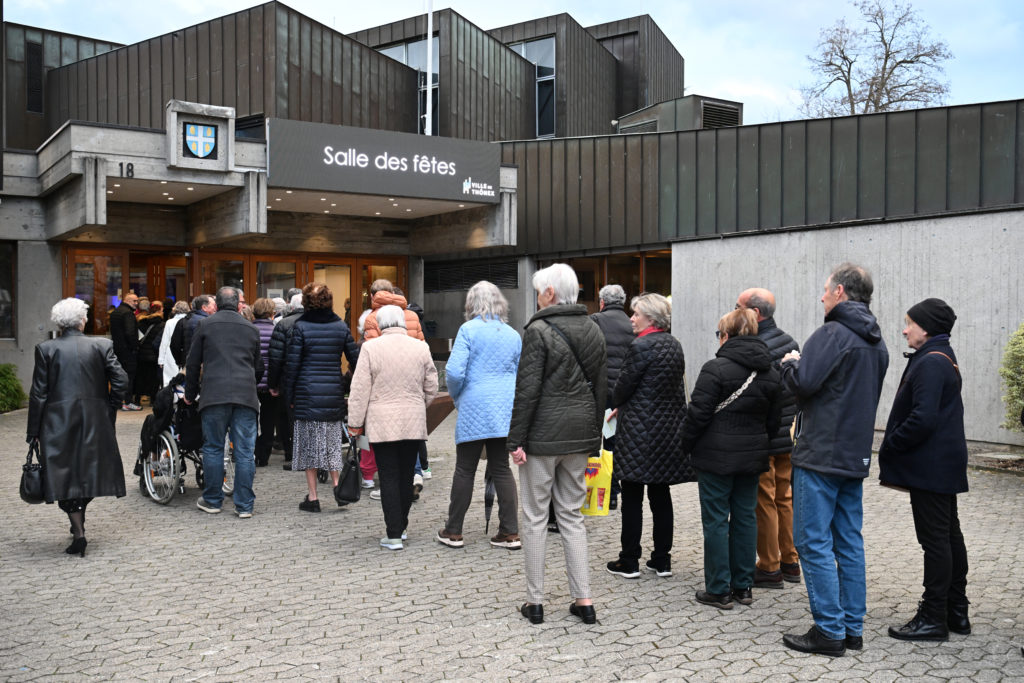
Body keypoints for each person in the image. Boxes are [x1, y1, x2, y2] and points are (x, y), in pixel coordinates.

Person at [779, 263, 889, 657]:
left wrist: (790, 363)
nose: (821, 296)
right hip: (853, 455)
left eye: (825, 290)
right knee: (849, 542)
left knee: (812, 542)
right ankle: (851, 628)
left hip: (820, 454)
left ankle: (829, 631)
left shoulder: (832, 334)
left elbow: (803, 383)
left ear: (840, 291)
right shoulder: (876, 342)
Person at [507, 263, 607, 626]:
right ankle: (584, 600)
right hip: (579, 435)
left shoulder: (538, 330)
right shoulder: (594, 328)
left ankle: (535, 602)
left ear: (550, 293)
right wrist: (594, 437)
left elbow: (527, 390)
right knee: (572, 516)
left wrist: (515, 439)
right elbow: (601, 387)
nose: (536, 296)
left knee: (535, 517)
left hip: (542, 438)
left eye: (539, 290)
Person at [879, 298, 970, 642]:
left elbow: (923, 418)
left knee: (935, 541)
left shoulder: (931, 361)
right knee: (948, 536)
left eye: (910, 323)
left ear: (927, 327)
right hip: (942, 462)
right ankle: (955, 611)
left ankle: (933, 617)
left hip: (931, 466)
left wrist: (892, 442)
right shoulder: (942, 355)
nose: (905, 330)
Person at [683, 308, 782, 610]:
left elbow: (697, 414)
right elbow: (774, 422)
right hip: (752, 457)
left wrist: (685, 444)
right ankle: (743, 586)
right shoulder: (771, 372)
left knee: (716, 520)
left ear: (726, 336)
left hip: (715, 457)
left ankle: (718, 589)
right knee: (745, 518)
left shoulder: (715, 368)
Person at [26, 297, 129, 557]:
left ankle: (78, 530)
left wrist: (33, 431)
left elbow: (38, 393)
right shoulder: (102, 345)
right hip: (96, 418)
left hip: (57, 421)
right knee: (89, 470)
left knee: (63, 473)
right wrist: (109, 407)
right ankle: (78, 526)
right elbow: (120, 379)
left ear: (60, 324)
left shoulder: (46, 349)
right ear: (82, 321)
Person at [604, 293, 689, 580]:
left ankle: (629, 560)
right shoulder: (674, 344)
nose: (631, 318)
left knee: (632, 497)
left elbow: (622, 387)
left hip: (639, 432)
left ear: (650, 318)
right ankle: (662, 560)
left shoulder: (640, 346)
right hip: (666, 430)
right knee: (661, 495)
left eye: (636, 313)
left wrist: (618, 403)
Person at [437, 281, 523, 550]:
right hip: (503, 409)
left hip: (474, 405)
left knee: (465, 468)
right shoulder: (512, 334)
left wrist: (457, 396)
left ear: (470, 304)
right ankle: (510, 531)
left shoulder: (468, 330)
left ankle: (454, 531)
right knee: (502, 468)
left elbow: (453, 372)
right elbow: (519, 374)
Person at [347, 305, 438, 550]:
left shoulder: (370, 348)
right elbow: (432, 385)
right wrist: (418, 404)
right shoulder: (420, 347)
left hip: (381, 422)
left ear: (379, 324)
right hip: (412, 421)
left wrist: (355, 423)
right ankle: (402, 526)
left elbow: (359, 390)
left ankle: (394, 533)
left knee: (388, 476)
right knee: (407, 475)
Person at [736, 288, 802, 589]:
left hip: (764, 433)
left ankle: (769, 566)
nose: (734, 311)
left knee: (764, 501)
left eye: (738, 306)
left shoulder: (753, 347)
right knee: (784, 498)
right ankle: (790, 561)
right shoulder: (789, 341)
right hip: (787, 433)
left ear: (755, 313)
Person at [184, 286, 264, 518]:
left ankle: (212, 500)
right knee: (245, 452)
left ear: (216, 304)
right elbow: (258, 367)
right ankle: (244, 505)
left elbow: (192, 363)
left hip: (214, 394)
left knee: (213, 448)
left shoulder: (205, 325)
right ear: (238, 304)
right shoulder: (250, 328)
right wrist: (250, 384)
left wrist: (190, 393)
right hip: (245, 396)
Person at [283, 283, 360, 511]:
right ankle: (338, 489)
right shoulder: (340, 326)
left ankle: (313, 497)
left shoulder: (300, 327)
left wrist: (289, 395)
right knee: (332, 445)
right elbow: (356, 359)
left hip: (306, 394)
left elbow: (292, 365)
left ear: (306, 303)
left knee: (309, 448)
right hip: (333, 392)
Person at [590, 284, 636, 510]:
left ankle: (591, 491)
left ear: (602, 302)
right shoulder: (632, 323)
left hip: (597, 393)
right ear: (623, 302)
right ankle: (613, 493)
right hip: (618, 395)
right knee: (612, 442)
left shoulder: (595, 321)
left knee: (592, 442)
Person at [268, 290, 304, 469]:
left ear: (291, 306)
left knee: (288, 418)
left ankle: (292, 453)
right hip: (311, 379)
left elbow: (276, 357)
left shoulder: (283, 324)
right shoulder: (319, 322)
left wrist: (273, 383)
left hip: (288, 379)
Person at [251, 298, 278, 467]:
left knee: (251, 419)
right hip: (269, 384)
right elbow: (277, 359)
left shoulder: (249, 330)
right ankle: (264, 456)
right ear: (271, 313)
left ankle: (253, 452)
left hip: (251, 382)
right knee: (268, 421)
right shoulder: (276, 331)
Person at [109, 291, 141, 411]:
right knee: (129, 376)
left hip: (117, 349)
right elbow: (130, 333)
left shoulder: (115, 312)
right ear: (127, 301)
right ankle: (127, 402)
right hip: (128, 351)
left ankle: (117, 401)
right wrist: (135, 346)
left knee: (117, 375)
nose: (136, 303)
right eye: (134, 301)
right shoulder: (128, 313)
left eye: (137, 301)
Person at [135, 299, 164, 402]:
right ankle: (153, 399)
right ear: (159, 311)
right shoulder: (162, 324)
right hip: (154, 355)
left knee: (140, 377)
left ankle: (137, 398)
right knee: (153, 378)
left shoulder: (141, 322)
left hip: (141, 354)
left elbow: (137, 338)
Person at [158, 300, 190, 386]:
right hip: (185, 353)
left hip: (170, 355)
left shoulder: (169, 322)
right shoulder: (189, 321)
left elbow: (164, 342)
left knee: (169, 381)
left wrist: (161, 360)